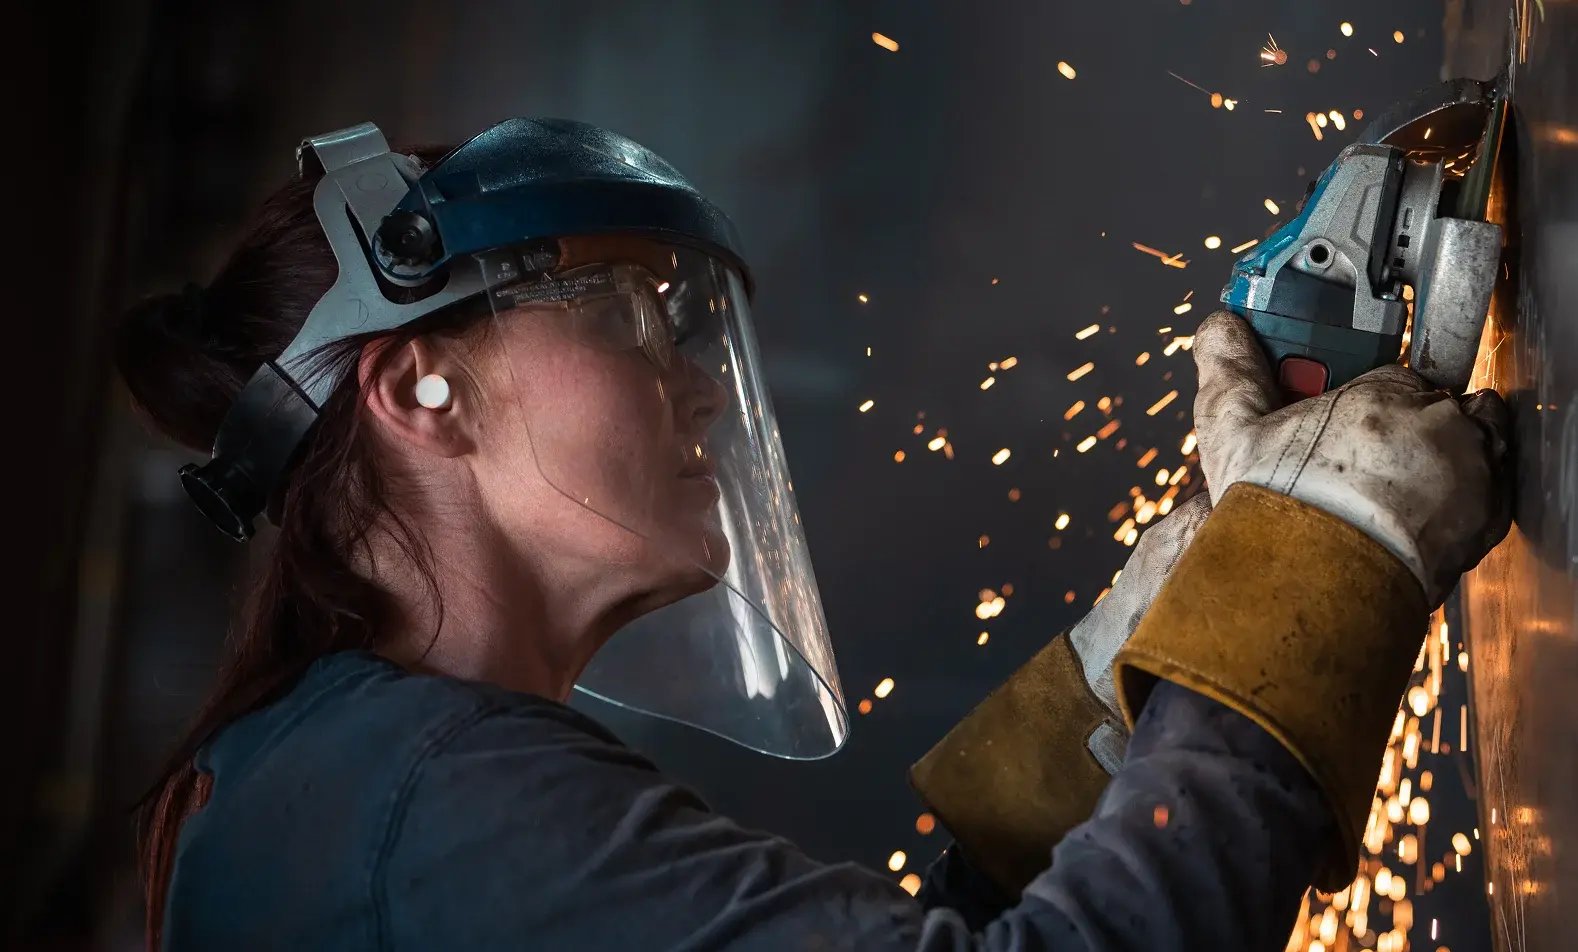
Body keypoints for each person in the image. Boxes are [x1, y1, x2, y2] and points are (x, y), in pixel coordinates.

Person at [117, 118, 1511, 950]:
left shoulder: (348, 789)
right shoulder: (428, 802)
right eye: (623, 314)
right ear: (421, 390)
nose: (698, 381)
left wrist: (1126, 676)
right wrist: (1315, 551)